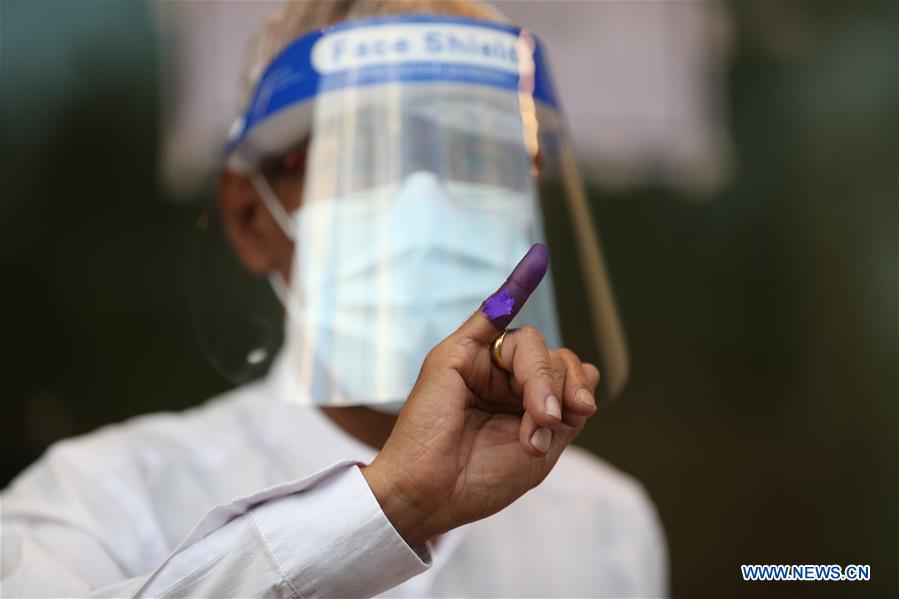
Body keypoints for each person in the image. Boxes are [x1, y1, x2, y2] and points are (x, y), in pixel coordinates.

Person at [0, 1, 667, 597]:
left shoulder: (604, 521)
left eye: (475, 155)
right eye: (372, 153)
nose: (429, 200)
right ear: (250, 217)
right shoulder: (101, 500)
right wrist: (385, 508)